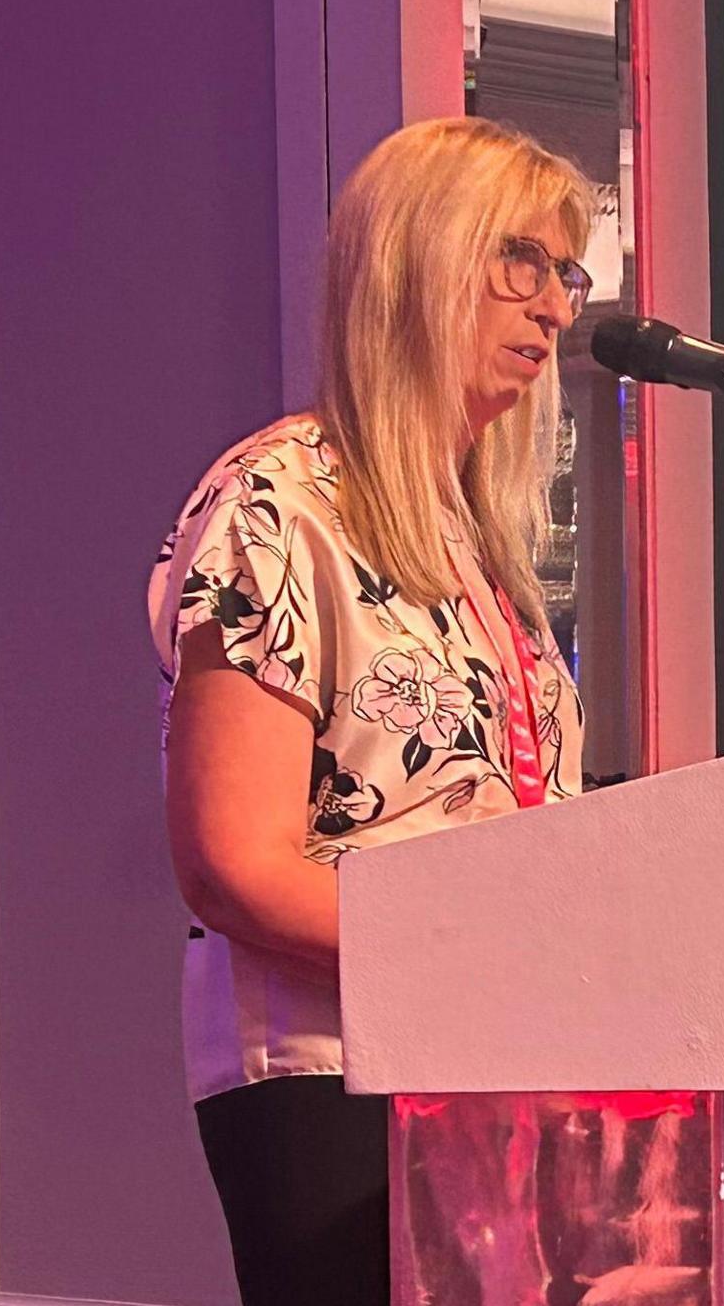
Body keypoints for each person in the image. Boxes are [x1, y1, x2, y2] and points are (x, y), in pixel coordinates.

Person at [148, 116, 594, 1304]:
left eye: (568, 273)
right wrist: (479, 947)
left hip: (497, 1068)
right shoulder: (281, 501)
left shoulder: (481, 548)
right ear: (419, 258)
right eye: (524, 260)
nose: (556, 307)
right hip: (335, 1080)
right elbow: (230, 863)